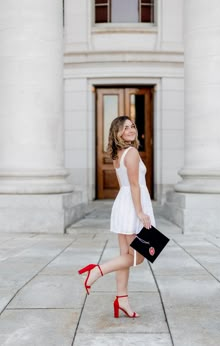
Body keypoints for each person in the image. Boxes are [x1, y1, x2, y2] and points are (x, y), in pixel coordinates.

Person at [78, 115, 156, 318]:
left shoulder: (117, 153)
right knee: (138, 258)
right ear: (117, 132)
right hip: (132, 204)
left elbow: (128, 185)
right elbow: (134, 185)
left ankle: (122, 299)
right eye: (125, 128)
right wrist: (140, 212)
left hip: (124, 202)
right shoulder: (131, 153)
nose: (131, 130)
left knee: (126, 256)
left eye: (133, 126)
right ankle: (97, 271)